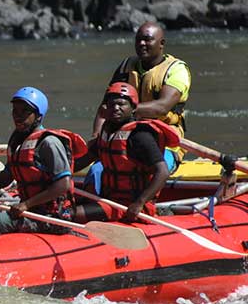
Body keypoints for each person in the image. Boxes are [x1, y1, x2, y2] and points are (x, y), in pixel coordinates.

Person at [0, 87, 87, 236]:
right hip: (31, 209)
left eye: (25, 111)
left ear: (38, 116)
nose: (18, 116)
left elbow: (63, 185)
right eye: (15, 111)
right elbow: (5, 178)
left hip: (53, 216)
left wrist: (26, 204)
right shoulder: (18, 141)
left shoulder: (49, 143)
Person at [91, 21, 190, 171]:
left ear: (161, 43)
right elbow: (106, 106)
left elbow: (162, 107)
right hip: (125, 136)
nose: (142, 44)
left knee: (149, 170)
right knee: (97, 169)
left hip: (164, 141)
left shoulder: (176, 71)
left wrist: (126, 111)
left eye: (147, 39)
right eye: (138, 40)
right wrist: (97, 137)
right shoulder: (126, 66)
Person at [75, 82, 180, 222]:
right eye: (111, 105)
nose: (115, 108)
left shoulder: (140, 136)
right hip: (109, 200)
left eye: (121, 104)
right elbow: (85, 159)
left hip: (131, 206)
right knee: (66, 206)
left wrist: (139, 203)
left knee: (71, 214)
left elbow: (162, 172)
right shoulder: (108, 132)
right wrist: (57, 173)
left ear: (133, 107)